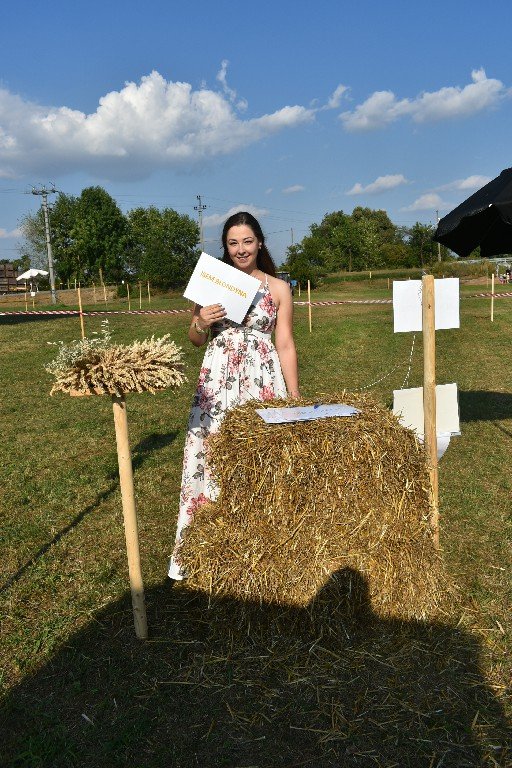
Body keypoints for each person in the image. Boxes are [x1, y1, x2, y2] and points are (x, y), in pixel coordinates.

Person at [168, 211, 300, 579]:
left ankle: (264, 549)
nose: (241, 249)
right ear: (225, 247)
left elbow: (285, 343)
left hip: (263, 381)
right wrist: (201, 322)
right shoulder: (212, 281)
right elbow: (195, 338)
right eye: (233, 242)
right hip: (218, 381)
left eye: (247, 241)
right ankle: (210, 548)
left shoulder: (279, 288)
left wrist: (294, 396)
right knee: (212, 456)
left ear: (260, 243)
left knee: (262, 459)